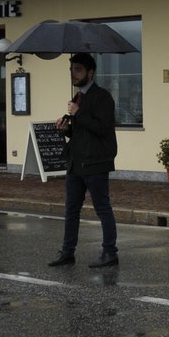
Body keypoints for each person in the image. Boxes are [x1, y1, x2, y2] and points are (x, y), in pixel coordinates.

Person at [48, 52, 119, 268]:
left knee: (102, 208)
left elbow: (103, 129)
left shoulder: (103, 97)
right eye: (71, 69)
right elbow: (81, 132)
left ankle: (110, 252)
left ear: (91, 72)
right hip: (76, 162)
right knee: (71, 210)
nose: (73, 73)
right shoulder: (78, 97)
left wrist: (78, 113)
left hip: (96, 162)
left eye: (78, 69)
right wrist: (66, 127)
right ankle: (67, 252)